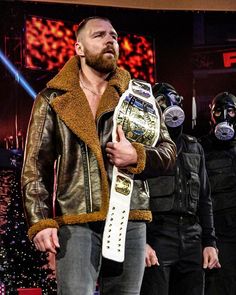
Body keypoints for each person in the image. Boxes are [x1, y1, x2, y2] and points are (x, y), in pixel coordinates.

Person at [21, 17, 176, 295]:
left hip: (129, 220)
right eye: (99, 35)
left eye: (114, 36)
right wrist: (40, 221)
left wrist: (137, 156)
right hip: (76, 221)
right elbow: (35, 166)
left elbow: (168, 152)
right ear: (79, 48)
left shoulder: (138, 96)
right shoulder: (52, 98)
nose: (110, 41)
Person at [140, 82, 220, 295]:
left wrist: (209, 243)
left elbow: (205, 199)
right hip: (157, 235)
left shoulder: (195, 147)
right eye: (161, 101)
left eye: (172, 99)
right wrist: (142, 243)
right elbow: (133, 198)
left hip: (192, 237)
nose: (168, 105)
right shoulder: (142, 150)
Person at [200, 92, 236, 295]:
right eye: (219, 111)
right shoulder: (201, 148)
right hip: (219, 236)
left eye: (230, 111)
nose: (225, 116)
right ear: (211, 114)